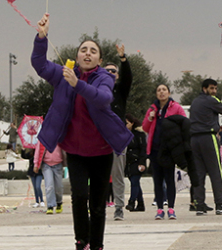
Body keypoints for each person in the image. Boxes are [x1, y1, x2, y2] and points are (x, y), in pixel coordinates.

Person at [31, 14, 132, 250]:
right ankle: (81, 242)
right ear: (77, 55)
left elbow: (104, 98)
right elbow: (39, 63)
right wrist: (41, 37)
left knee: (97, 204)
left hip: (101, 149)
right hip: (75, 150)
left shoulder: (103, 77)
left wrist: (78, 83)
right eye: (84, 49)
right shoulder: (63, 73)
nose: (88, 53)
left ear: (99, 58)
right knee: (78, 197)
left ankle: (96, 245)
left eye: (93, 51)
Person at [142, 84, 187, 220]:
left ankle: (171, 208)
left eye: (164, 90)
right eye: (158, 90)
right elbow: (145, 127)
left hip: (169, 150)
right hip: (155, 149)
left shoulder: (176, 107)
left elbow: (185, 123)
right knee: (157, 180)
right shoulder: (152, 108)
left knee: (169, 180)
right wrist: (150, 118)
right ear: (156, 94)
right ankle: (160, 209)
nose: (161, 92)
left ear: (168, 92)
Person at [189, 78, 222, 215]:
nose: (214, 91)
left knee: (199, 173)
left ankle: (199, 205)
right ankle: (219, 204)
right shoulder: (212, 100)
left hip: (194, 139)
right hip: (208, 137)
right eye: (212, 88)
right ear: (204, 88)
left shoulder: (194, 102)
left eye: (215, 89)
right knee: (215, 172)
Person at [105, 47, 132, 221]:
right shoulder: (97, 90)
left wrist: (123, 58)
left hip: (118, 138)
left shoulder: (120, 91)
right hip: (100, 136)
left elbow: (128, 77)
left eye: (113, 71)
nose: (110, 73)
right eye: (106, 71)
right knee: (98, 173)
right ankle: (97, 205)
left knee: (118, 174)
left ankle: (119, 207)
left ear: (118, 75)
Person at [124, 114, 147, 212]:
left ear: (132, 123)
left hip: (137, 162)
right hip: (127, 162)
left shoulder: (138, 134)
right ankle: (141, 204)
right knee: (135, 183)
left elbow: (143, 149)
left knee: (134, 182)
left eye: (127, 123)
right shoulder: (123, 134)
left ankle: (131, 202)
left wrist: (142, 162)